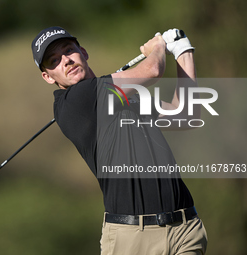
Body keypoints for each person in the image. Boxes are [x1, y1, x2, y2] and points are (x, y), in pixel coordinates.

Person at [31, 26, 207, 255]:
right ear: (47, 76)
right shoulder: (76, 100)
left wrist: (183, 50)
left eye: (68, 51)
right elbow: (153, 69)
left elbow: (185, 115)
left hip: (185, 230)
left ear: (83, 52)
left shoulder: (123, 96)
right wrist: (158, 47)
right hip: (132, 239)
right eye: (53, 61)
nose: (65, 60)